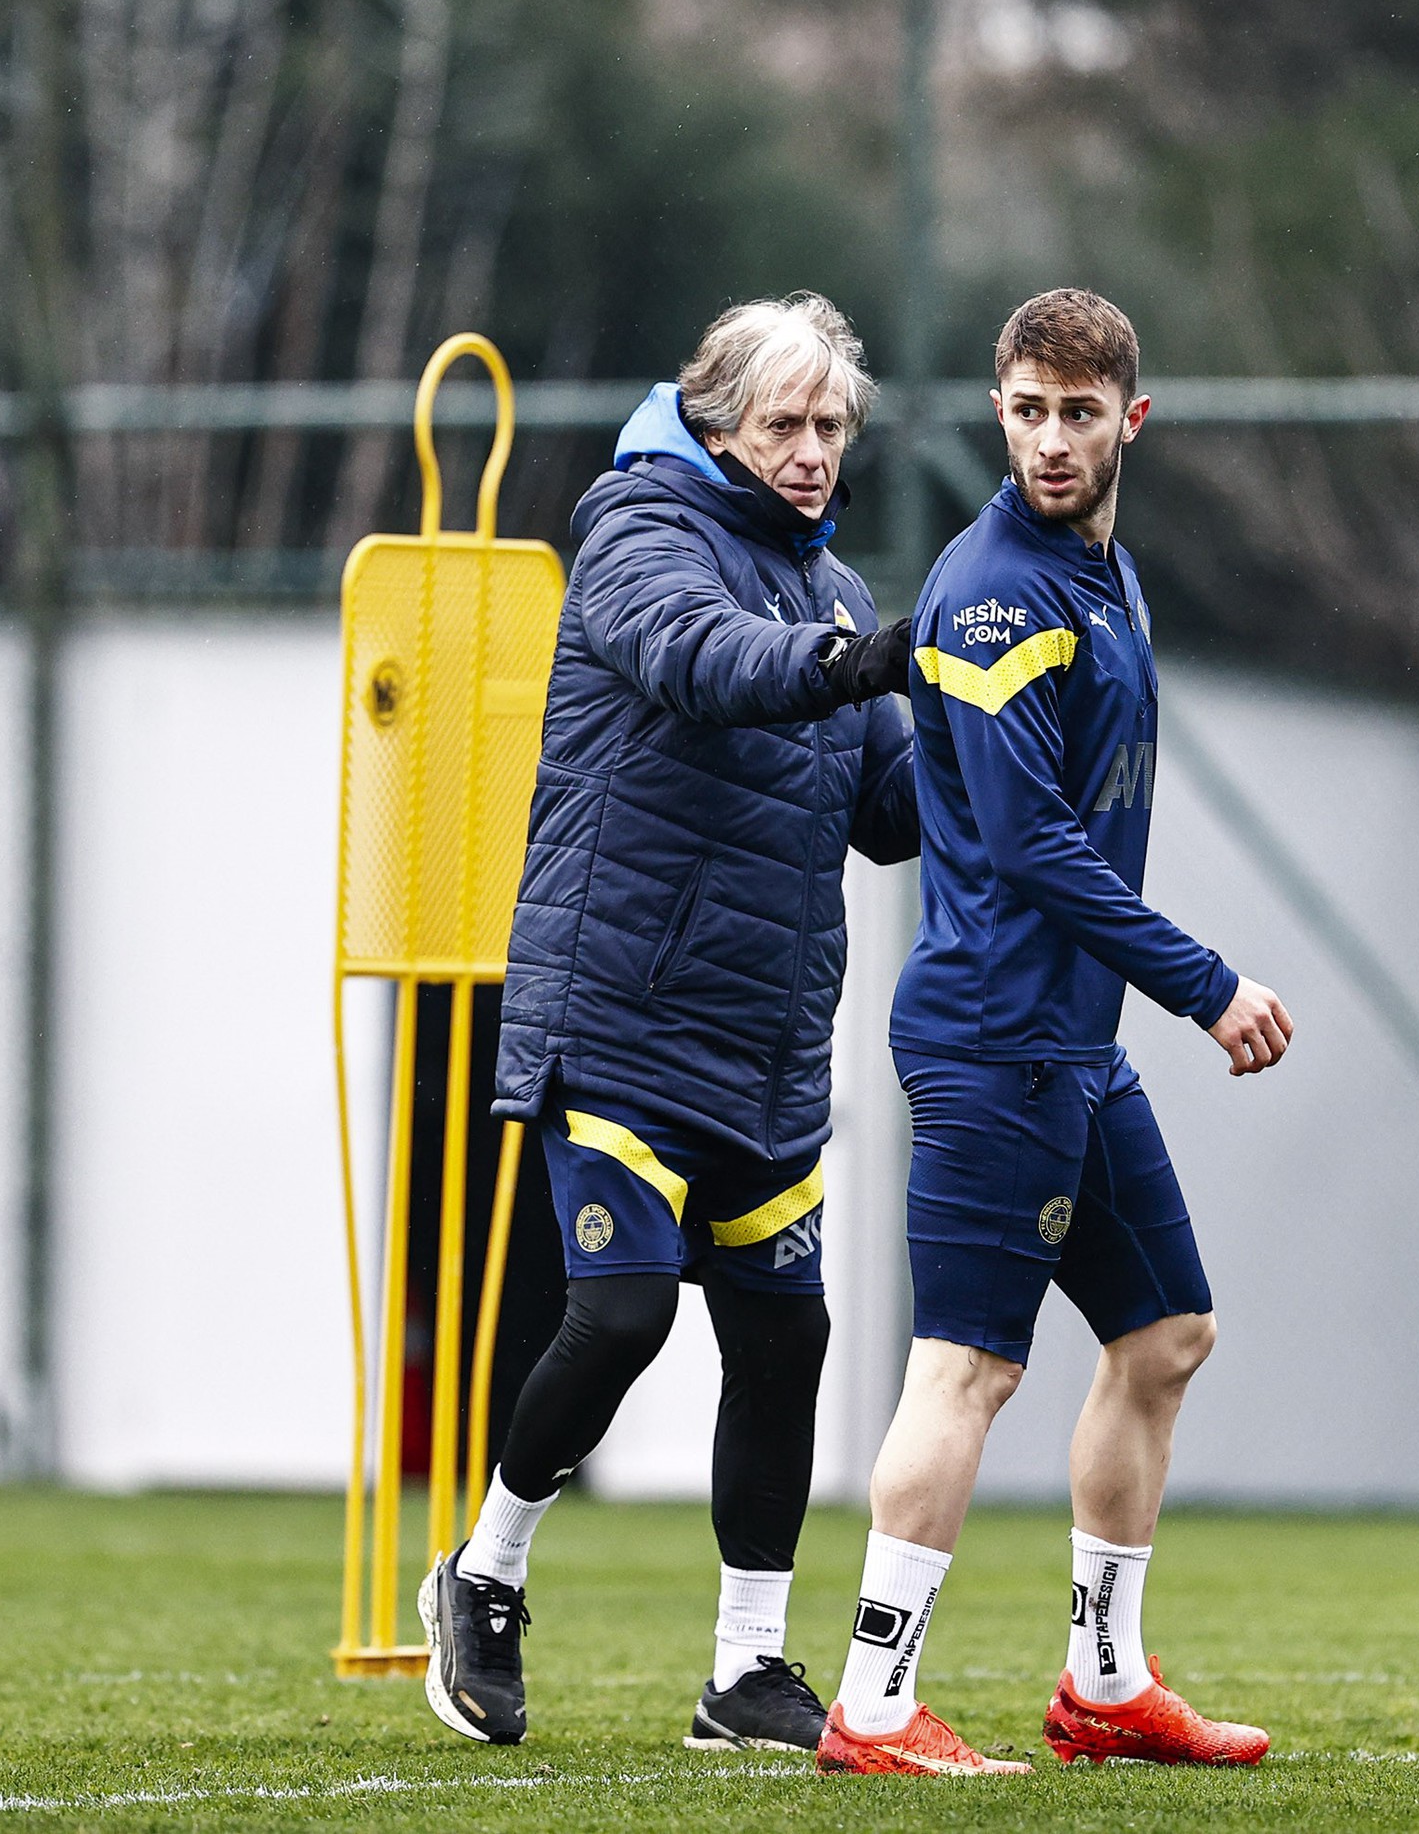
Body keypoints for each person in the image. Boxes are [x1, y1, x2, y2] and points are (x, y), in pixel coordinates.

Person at [417, 293, 918, 1754]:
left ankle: (745, 1673)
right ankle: (485, 1569)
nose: (816, 450)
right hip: (620, 1009)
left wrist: (991, 728)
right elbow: (707, 661)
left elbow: (886, 815)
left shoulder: (834, 591)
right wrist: (868, 660)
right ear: (714, 421)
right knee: (624, 1312)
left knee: (787, 1339)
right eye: (786, 422)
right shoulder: (637, 533)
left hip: (765, 1045)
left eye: (833, 425)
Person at [815, 288, 1294, 1778]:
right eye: (1025, 410)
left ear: (1128, 419)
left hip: (1069, 1049)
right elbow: (1029, 850)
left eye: (1079, 412)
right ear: (998, 410)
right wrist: (1205, 979)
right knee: (965, 1370)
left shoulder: (1110, 579)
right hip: (989, 1039)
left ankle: (1103, 1680)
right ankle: (874, 1706)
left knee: (1165, 1337)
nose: (1049, 439)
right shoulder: (999, 595)